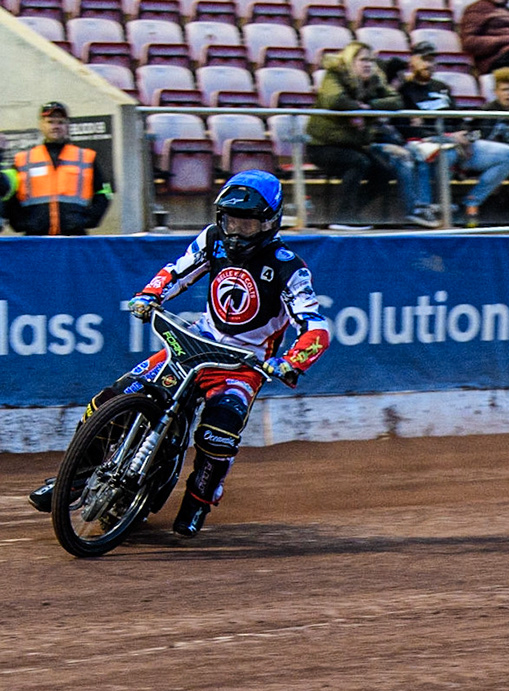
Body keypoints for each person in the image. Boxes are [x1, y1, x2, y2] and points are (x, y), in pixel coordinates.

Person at [26, 173, 332, 537]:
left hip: (241, 365)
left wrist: (291, 361)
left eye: (246, 223)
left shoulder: (289, 268)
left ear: (269, 222)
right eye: (229, 221)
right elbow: (177, 270)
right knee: (109, 400)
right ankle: (73, 480)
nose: (235, 232)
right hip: (194, 343)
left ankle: (199, 500)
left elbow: (317, 328)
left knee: (218, 433)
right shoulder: (213, 239)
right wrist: (149, 295)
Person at [393, 43, 509, 226]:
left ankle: (470, 202)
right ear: (412, 61)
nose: (428, 64)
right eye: (423, 59)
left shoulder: (442, 87)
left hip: (457, 141)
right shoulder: (404, 91)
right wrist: (447, 135)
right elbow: (407, 129)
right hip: (430, 144)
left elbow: (458, 118)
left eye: (431, 60)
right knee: (446, 154)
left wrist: (464, 135)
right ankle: (438, 209)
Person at [310, 42, 437, 227]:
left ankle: (350, 213)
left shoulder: (374, 79)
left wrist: (369, 108)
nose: (368, 64)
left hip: (355, 144)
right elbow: (334, 99)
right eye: (363, 60)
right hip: (322, 145)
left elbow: (396, 101)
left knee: (385, 171)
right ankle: (342, 217)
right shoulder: (335, 74)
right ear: (350, 61)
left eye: (370, 60)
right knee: (359, 162)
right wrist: (355, 110)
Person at [5, 102, 113, 236]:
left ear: (67, 125)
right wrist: (20, 222)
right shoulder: (23, 160)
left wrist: (89, 219)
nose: (55, 127)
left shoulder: (85, 157)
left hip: (74, 237)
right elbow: (8, 194)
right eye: (50, 122)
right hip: (35, 238)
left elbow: (105, 191)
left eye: (60, 122)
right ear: (41, 125)